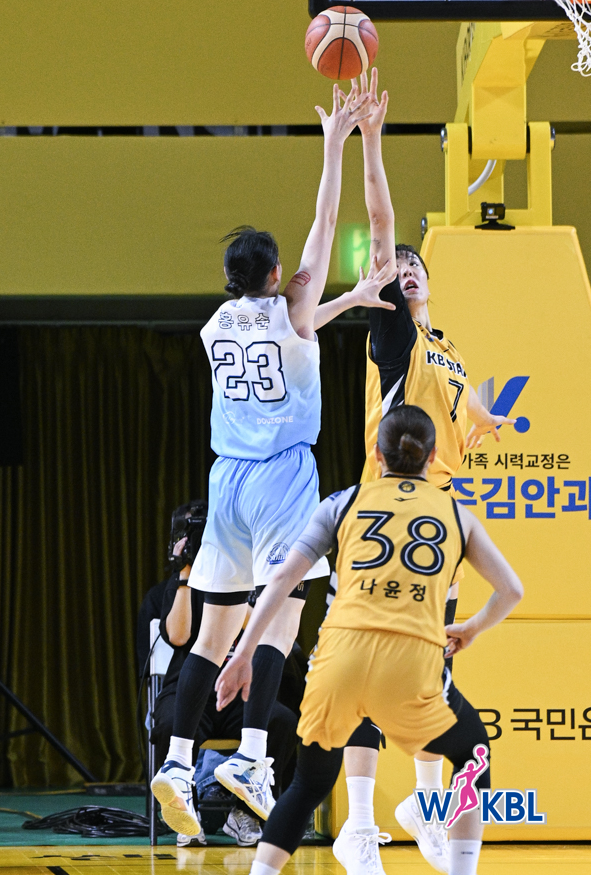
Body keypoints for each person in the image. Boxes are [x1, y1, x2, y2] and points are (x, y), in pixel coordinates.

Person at [150, 83, 384, 838]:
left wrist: (347, 300)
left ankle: (176, 762)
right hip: (284, 476)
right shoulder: (293, 309)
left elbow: (303, 319)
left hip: (227, 482)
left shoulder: (217, 322)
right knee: (281, 619)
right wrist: (335, 143)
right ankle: (251, 757)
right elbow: (325, 225)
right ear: (280, 274)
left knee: (211, 637)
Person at [312, 68, 516, 873]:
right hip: (382, 510)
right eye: (397, 268)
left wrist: (486, 420)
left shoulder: (447, 347)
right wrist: (370, 141)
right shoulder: (393, 335)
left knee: (431, 670)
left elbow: (463, 409)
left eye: (415, 267)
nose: (408, 270)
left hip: (439, 511)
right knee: (373, 661)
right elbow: (381, 219)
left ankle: (422, 807)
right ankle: (361, 825)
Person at [216, 405, 523, 875]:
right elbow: (511, 590)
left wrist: (242, 655)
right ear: (433, 456)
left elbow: (279, 581)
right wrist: (471, 628)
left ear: (377, 455)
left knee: (308, 784)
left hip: (338, 659)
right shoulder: (456, 514)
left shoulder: (342, 502)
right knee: (473, 753)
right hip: (410, 664)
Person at [151, 515, 299, 847]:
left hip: (242, 691)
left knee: (282, 721)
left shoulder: (259, 578)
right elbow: (178, 635)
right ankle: (185, 808)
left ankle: (245, 813)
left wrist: (234, 591)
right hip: (193, 691)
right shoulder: (189, 581)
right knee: (169, 723)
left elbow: (267, 630)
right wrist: (185, 574)